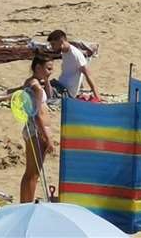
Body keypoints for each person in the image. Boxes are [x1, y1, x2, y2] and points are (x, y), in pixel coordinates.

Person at [19, 55, 52, 204]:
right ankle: (27, 204)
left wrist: (47, 81)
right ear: (38, 67)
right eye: (48, 69)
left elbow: (50, 96)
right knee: (34, 174)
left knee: (29, 173)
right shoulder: (36, 87)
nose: (50, 72)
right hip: (38, 130)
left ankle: (24, 203)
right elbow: (37, 114)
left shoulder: (30, 83)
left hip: (31, 129)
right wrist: (48, 138)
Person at [46, 29, 99, 99]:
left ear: (61, 41)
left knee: (39, 90)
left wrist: (97, 96)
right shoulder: (64, 52)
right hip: (59, 86)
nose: (52, 47)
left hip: (66, 92)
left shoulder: (75, 54)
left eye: (53, 44)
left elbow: (88, 74)